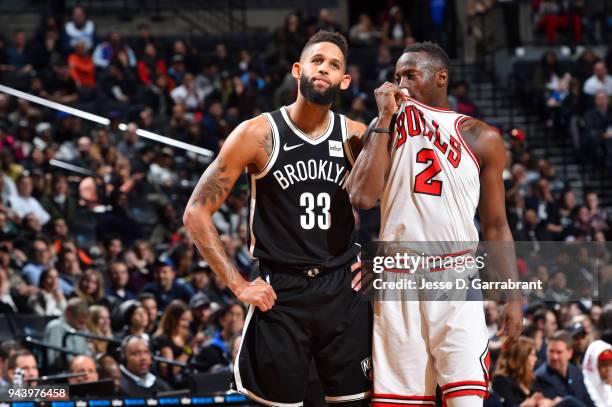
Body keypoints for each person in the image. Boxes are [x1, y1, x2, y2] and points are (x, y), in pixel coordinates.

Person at [183, 31, 371, 405]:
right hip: (281, 292)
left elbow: (394, 201)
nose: (324, 69)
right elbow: (195, 212)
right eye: (317, 60)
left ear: (344, 81)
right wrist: (237, 284)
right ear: (298, 69)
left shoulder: (356, 136)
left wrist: (380, 258)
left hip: (342, 289)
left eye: (334, 65)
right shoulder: (258, 134)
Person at [346, 41, 523, 407]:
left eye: (411, 74)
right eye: (396, 76)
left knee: (467, 401)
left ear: (441, 77)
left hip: (457, 280)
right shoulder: (385, 128)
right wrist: (383, 119)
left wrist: (512, 295)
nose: (401, 83)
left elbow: (495, 225)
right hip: (398, 281)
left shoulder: (481, 136)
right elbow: (361, 197)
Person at [492, 336, 558, 406]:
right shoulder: (500, 380)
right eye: (532, 355)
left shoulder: (531, 378)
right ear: (520, 357)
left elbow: (546, 398)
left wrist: (550, 402)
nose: (535, 359)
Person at [535, 330, 595, 406]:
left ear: (569, 353)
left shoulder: (577, 373)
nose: (554, 357)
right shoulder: (540, 378)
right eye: (551, 351)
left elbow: (588, 401)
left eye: (559, 352)